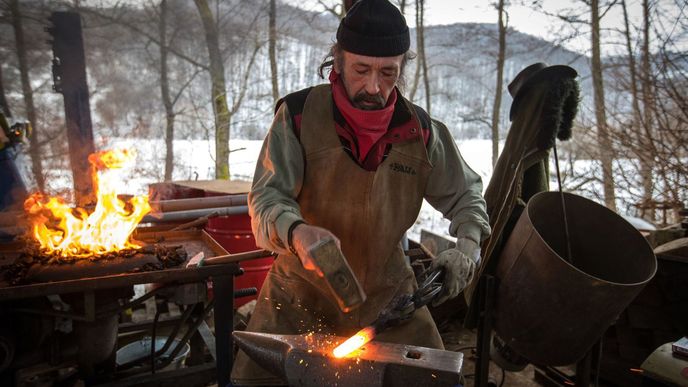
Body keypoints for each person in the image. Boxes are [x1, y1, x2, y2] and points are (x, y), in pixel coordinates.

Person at [231, 0, 490, 384]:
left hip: (390, 303)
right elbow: (267, 202)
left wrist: (467, 247)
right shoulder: (299, 117)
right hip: (299, 299)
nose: (374, 87)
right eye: (361, 70)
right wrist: (298, 234)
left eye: (388, 72)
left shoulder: (420, 132)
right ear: (337, 60)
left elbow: (467, 196)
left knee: (435, 379)